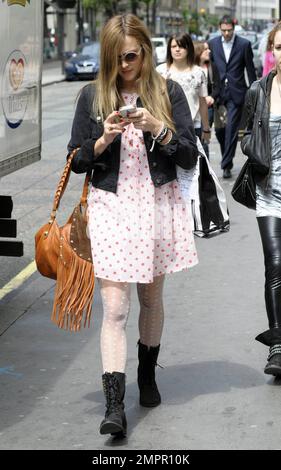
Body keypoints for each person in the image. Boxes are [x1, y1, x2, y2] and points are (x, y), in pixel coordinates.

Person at [67, 14, 198, 437]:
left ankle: (146, 374)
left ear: (145, 51)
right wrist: (102, 139)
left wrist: (157, 128)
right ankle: (114, 405)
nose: (126, 66)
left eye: (132, 56)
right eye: (118, 58)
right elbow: (75, 162)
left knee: (151, 299)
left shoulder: (168, 91)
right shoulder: (92, 96)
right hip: (111, 209)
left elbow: (189, 156)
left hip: (157, 206)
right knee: (116, 308)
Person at [241, 22, 281, 376]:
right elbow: (243, 132)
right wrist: (254, 150)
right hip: (269, 194)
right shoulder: (259, 90)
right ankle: (278, 347)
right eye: (280, 47)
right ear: (272, 51)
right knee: (276, 265)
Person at [209, 16, 256, 178]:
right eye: (224, 30)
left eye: (229, 30)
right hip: (218, 93)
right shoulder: (213, 44)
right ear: (219, 29)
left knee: (231, 130)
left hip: (237, 93)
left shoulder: (244, 44)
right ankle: (226, 158)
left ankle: (226, 164)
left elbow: (250, 70)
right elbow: (211, 70)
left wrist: (254, 92)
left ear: (234, 28)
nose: (227, 33)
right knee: (220, 131)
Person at [156, 33, 211, 148]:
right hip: (166, 127)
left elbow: (202, 102)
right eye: (173, 46)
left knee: (192, 164)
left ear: (189, 48)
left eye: (181, 46)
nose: (177, 50)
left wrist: (206, 129)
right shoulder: (160, 72)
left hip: (192, 128)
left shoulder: (198, 73)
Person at [194, 41, 221, 158]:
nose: (209, 51)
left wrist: (212, 97)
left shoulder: (211, 66)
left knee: (204, 136)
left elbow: (217, 86)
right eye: (205, 49)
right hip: (193, 108)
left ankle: (205, 165)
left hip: (207, 107)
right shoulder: (190, 69)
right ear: (198, 52)